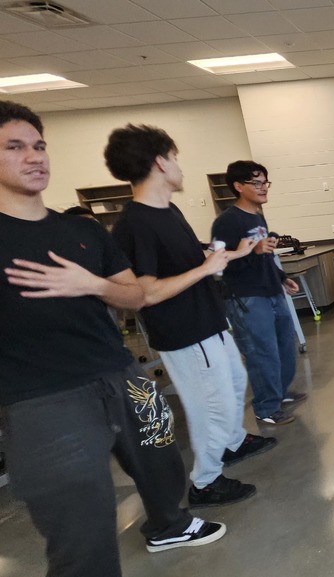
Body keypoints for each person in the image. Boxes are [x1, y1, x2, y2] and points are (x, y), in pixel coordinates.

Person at [0, 100, 225, 577]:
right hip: (41, 396)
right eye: (14, 147)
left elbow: (136, 294)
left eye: (39, 145)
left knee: (163, 457)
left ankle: (169, 524)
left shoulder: (80, 231)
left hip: (122, 373)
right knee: (82, 514)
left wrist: (93, 285)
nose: (34, 156)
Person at [105, 124, 275, 510]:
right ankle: (205, 482)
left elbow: (197, 262)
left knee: (233, 385)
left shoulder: (168, 210)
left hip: (209, 321)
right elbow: (145, 292)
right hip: (185, 332)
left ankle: (231, 444)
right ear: (160, 162)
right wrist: (203, 270)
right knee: (210, 407)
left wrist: (237, 254)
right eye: (176, 158)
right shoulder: (135, 223)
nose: (180, 167)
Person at [211, 160, 305, 424]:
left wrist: (282, 278)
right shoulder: (226, 222)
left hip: (271, 290)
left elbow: (264, 256)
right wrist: (251, 251)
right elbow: (220, 263)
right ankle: (266, 408)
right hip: (246, 297)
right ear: (238, 186)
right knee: (262, 352)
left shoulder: (258, 216)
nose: (263, 188)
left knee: (285, 345)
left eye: (265, 182)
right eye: (256, 183)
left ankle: (280, 393)